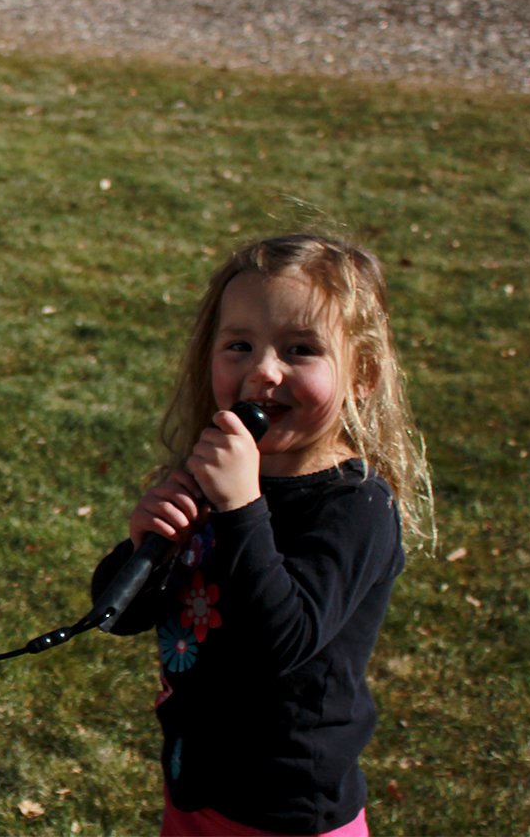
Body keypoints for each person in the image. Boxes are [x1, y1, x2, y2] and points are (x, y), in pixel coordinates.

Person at [92, 234, 433, 837]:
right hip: (197, 781)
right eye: (239, 346)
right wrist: (147, 547)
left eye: (300, 349)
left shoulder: (355, 507)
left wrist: (241, 507)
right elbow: (117, 615)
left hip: (288, 810)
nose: (263, 371)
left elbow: (280, 642)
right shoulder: (216, 476)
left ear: (363, 374)